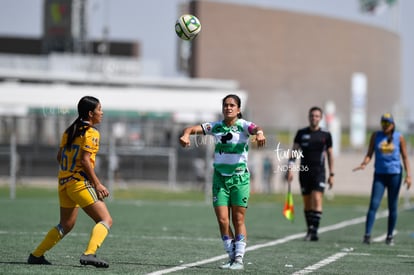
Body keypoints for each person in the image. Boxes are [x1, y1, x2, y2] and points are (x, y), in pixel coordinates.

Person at [179, 94, 266, 270]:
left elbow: (256, 128)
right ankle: (231, 256)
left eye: (232, 105)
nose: (228, 108)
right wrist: (186, 135)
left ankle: (239, 259)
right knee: (222, 220)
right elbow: (191, 129)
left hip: (239, 179)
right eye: (226, 105)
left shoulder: (243, 126)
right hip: (219, 178)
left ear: (238, 109)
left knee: (238, 219)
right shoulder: (216, 126)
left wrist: (260, 133)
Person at [28, 96, 112, 268]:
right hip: (78, 183)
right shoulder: (92, 133)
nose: (102, 113)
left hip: (64, 183)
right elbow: (85, 161)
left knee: (66, 224)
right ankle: (89, 254)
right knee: (105, 219)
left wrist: (68, 174)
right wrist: (97, 184)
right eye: (99, 109)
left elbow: (60, 156)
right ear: (90, 113)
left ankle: (36, 255)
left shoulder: (69, 131)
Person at [353, 113, 411, 245]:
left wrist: (408, 175)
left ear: (392, 125)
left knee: (392, 206)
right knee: (374, 204)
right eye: (383, 123)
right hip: (379, 174)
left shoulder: (399, 137)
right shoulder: (376, 136)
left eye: (387, 123)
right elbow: (369, 154)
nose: (385, 126)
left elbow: (405, 157)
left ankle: (390, 236)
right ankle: (367, 235)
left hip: (395, 174)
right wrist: (364, 163)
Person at [287, 106, 334, 241]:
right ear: (309, 117)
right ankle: (309, 229)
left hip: (319, 172)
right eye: (312, 116)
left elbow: (330, 155)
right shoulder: (301, 133)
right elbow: (294, 152)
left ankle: (314, 231)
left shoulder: (326, 135)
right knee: (307, 202)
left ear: (321, 118)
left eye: (317, 116)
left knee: (317, 198)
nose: (314, 118)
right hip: (304, 172)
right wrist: (290, 169)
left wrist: (332, 174)